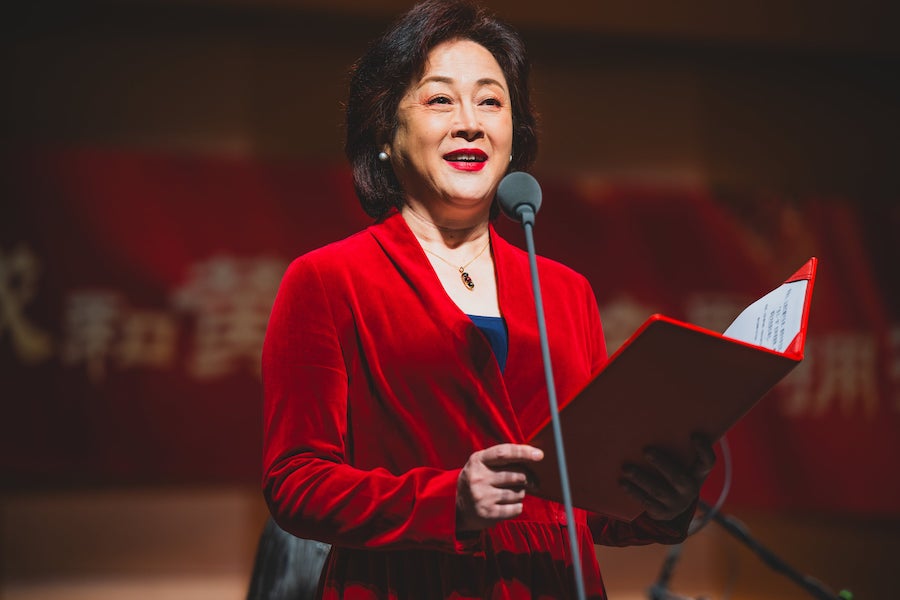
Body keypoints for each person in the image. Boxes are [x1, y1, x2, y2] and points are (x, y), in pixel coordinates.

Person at [261, 1, 716, 598]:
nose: (470, 123)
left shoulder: (566, 291)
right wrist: (446, 502)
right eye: (440, 100)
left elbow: (588, 505)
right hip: (407, 581)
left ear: (513, 135)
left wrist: (660, 501)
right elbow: (296, 482)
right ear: (385, 132)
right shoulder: (328, 279)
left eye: (491, 102)